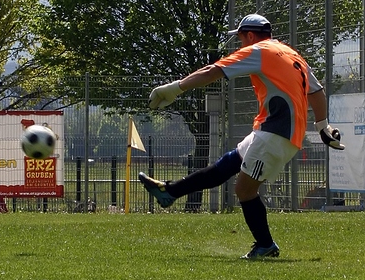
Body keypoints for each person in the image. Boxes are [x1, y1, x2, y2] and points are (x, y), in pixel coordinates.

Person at [140, 13, 344, 259]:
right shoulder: (291, 54)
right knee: (227, 164)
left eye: (240, 39)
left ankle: (265, 245)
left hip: (276, 133)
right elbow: (317, 91)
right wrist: (323, 126)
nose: (239, 46)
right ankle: (169, 192)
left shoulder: (258, 51)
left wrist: (174, 88)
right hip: (273, 131)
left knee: (244, 190)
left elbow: (213, 70)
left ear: (249, 35)